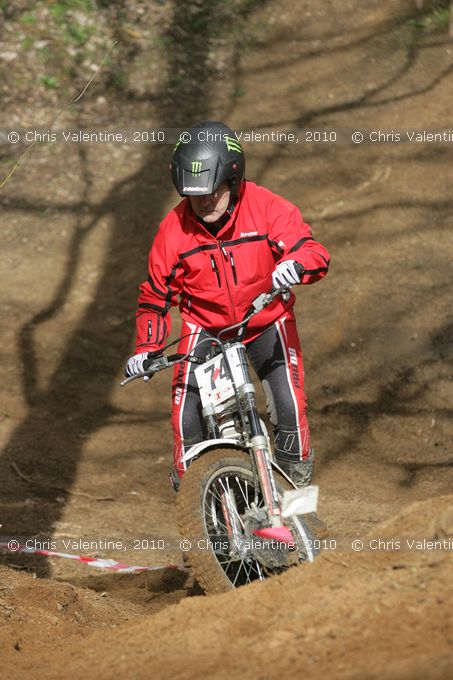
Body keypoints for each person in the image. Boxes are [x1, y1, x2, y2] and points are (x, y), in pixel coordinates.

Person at [125, 120, 330, 491]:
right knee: (184, 421)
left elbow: (312, 250)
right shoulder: (173, 231)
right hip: (204, 327)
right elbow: (154, 298)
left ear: (233, 181)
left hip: (266, 319)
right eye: (194, 195)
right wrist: (146, 349)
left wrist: (294, 265)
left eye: (212, 191)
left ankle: (295, 498)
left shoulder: (267, 207)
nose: (203, 202)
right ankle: (202, 513)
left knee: (289, 408)